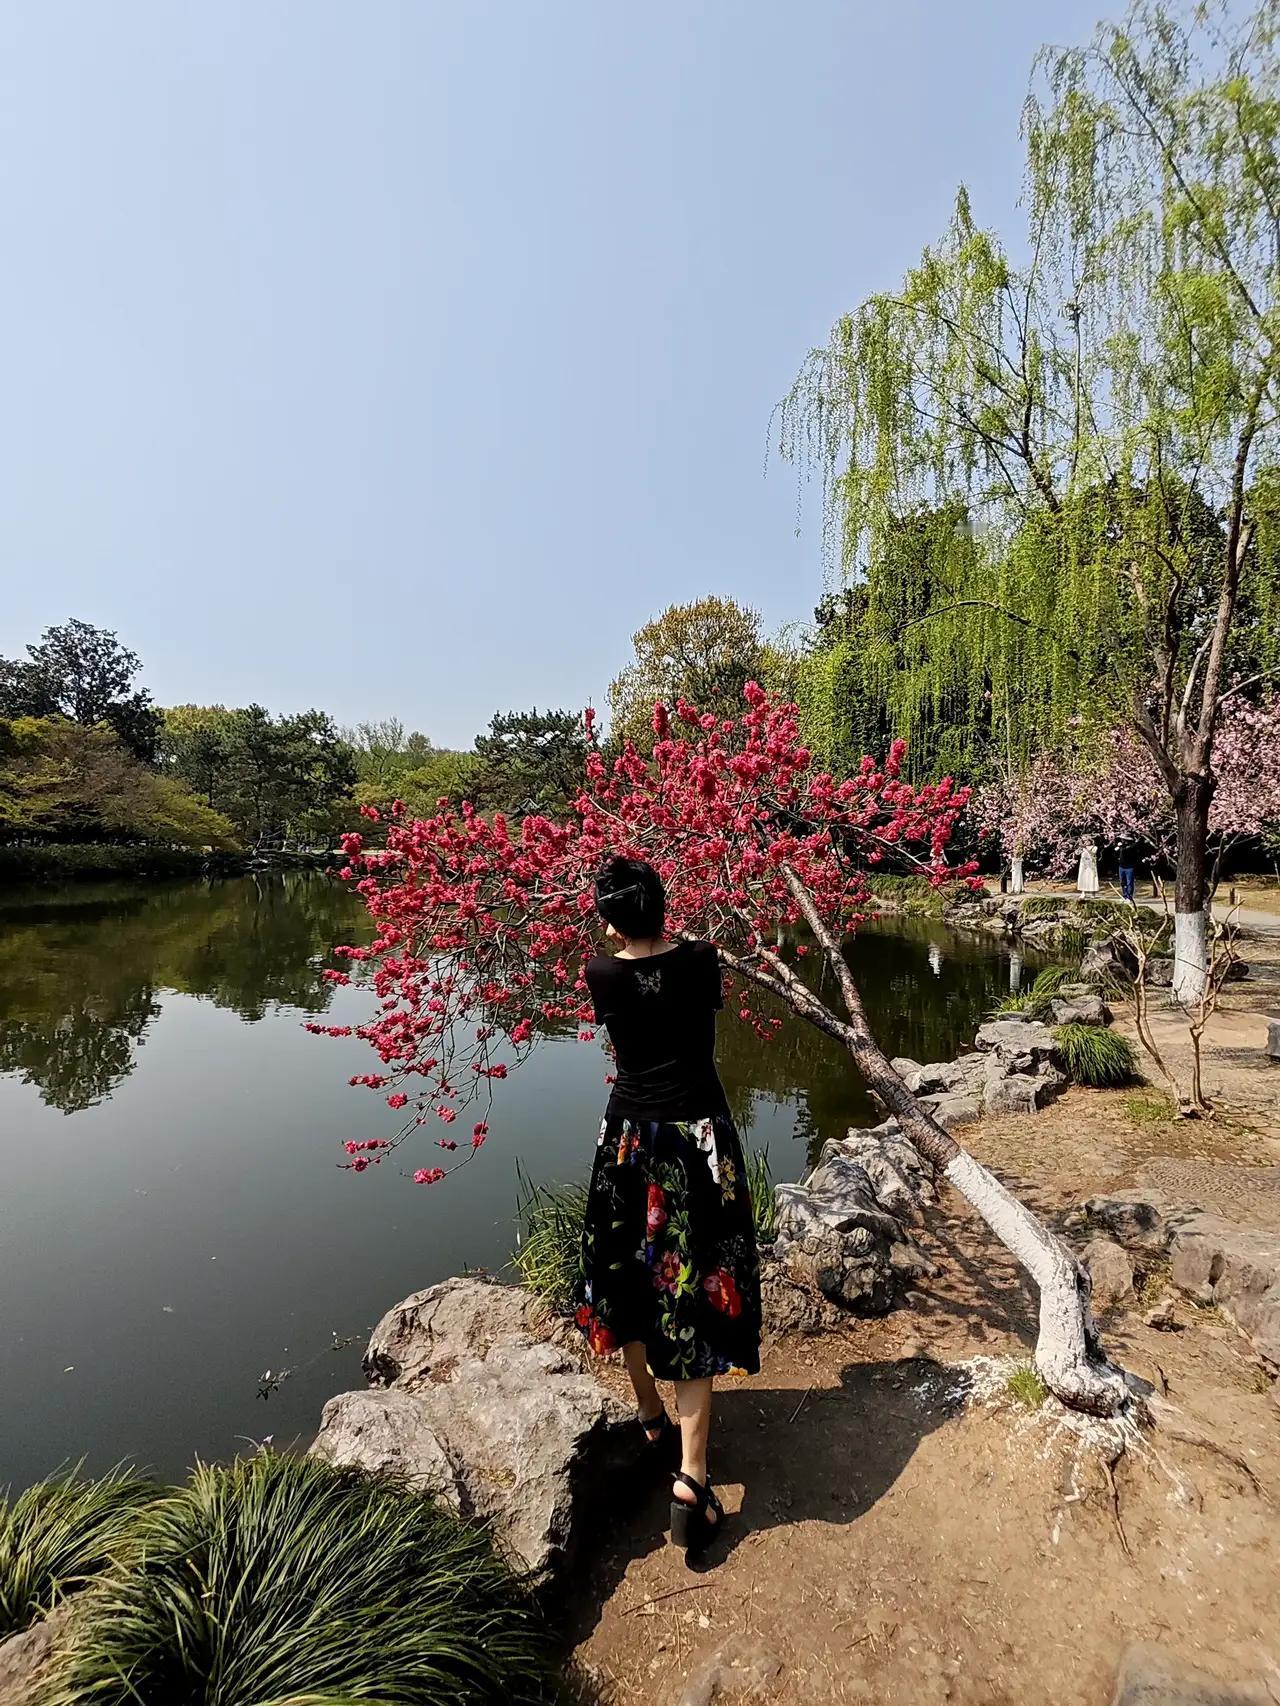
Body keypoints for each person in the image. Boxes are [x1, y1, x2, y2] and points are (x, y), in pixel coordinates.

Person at [576, 855, 761, 1555]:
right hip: (698, 1140)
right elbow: (678, 987)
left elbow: (633, 984)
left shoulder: (600, 974)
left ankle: (651, 1414)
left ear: (610, 918)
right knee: (696, 1286)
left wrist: (623, 939)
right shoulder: (704, 961)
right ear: (662, 902)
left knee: (626, 1273)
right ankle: (691, 1477)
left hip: (630, 1139)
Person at [1116, 838, 1140, 904]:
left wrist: (1120, 847)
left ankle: (1129, 897)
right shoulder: (1121, 847)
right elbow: (1116, 852)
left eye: (1124, 839)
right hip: (1121, 866)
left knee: (1129, 882)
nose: (1122, 840)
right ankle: (1124, 896)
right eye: (1122, 839)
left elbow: (1127, 850)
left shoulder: (1132, 846)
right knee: (1123, 882)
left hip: (1129, 867)